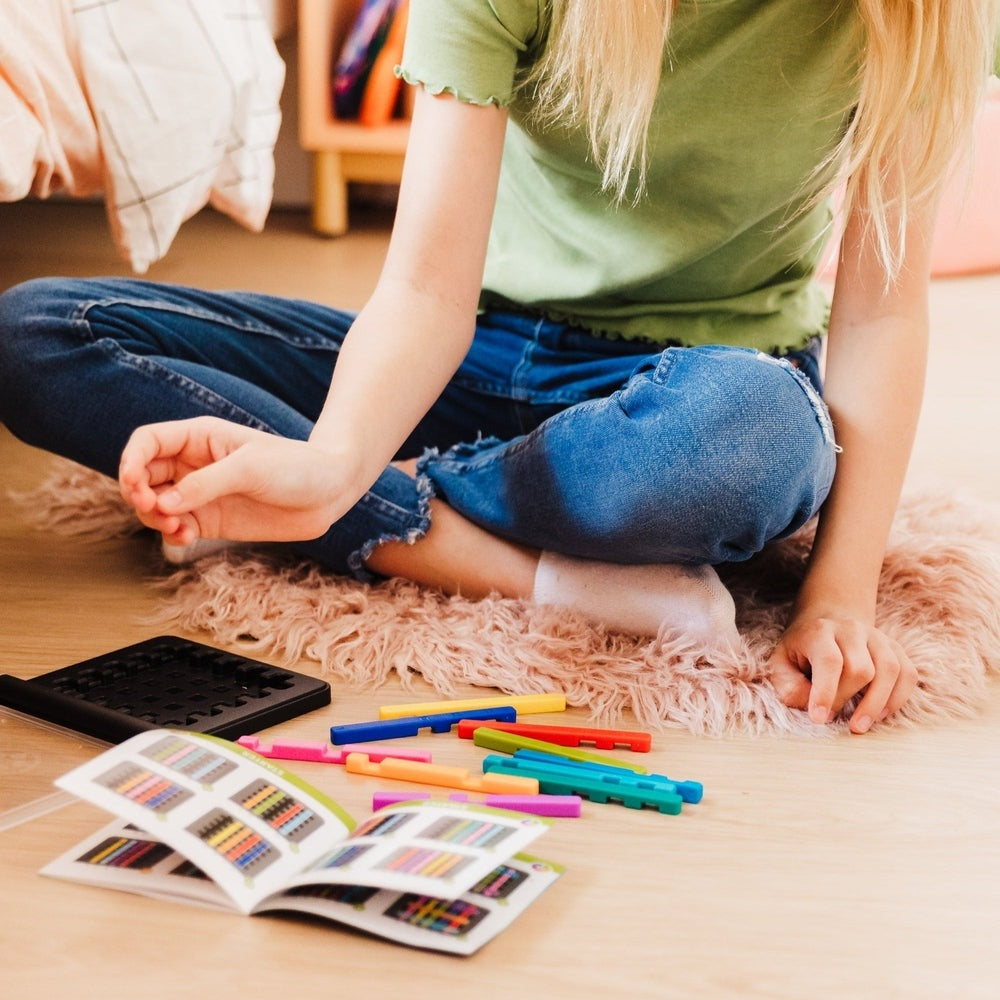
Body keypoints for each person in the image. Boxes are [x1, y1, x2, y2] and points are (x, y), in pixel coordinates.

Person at [1, 1, 997, 735]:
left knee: (752, 436)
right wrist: (333, 459)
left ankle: (378, 509)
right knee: (41, 332)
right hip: (471, 352)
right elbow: (425, 294)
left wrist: (838, 598)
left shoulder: (921, 14)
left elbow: (880, 312)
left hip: (704, 392)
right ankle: (511, 563)